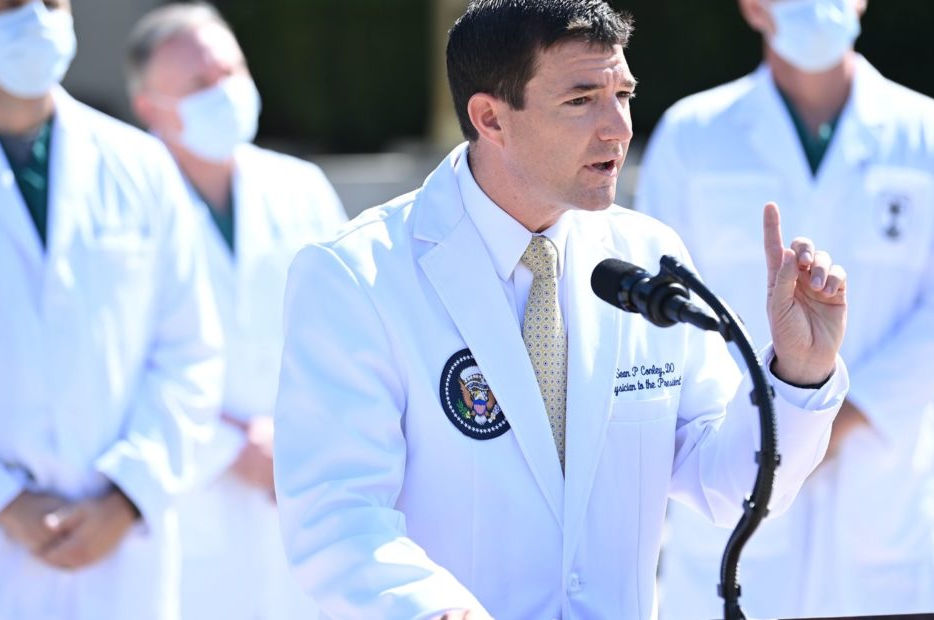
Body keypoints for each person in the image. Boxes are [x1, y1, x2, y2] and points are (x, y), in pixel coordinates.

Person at [272, 1, 855, 618]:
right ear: (490, 118)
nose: (618, 128)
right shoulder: (356, 276)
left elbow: (727, 482)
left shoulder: (649, 257)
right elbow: (336, 514)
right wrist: (436, 610)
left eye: (623, 94)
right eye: (581, 101)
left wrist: (798, 370)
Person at [634, 0, 934, 617]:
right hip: (741, 456)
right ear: (751, 7)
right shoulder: (692, 136)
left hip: (880, 477)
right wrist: (776, 421)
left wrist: (839, 415)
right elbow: (664, 307)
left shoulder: (933, 136)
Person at [0, 1, 224, 618]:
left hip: (119, 557)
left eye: (50, 3)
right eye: (12, 6)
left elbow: (190, 351)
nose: (39, 20)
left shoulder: (140, 164)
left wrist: (126, 497)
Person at [126, 4, 347, 619]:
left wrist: (297, 434)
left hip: (301, 478)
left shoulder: (300, 185)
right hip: (187, 489)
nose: (225, 92)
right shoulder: (123, 204)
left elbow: (349, 325)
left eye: (232, 69)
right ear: (150, 108)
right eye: (200, 84)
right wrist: (231, 447)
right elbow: (114, 354)